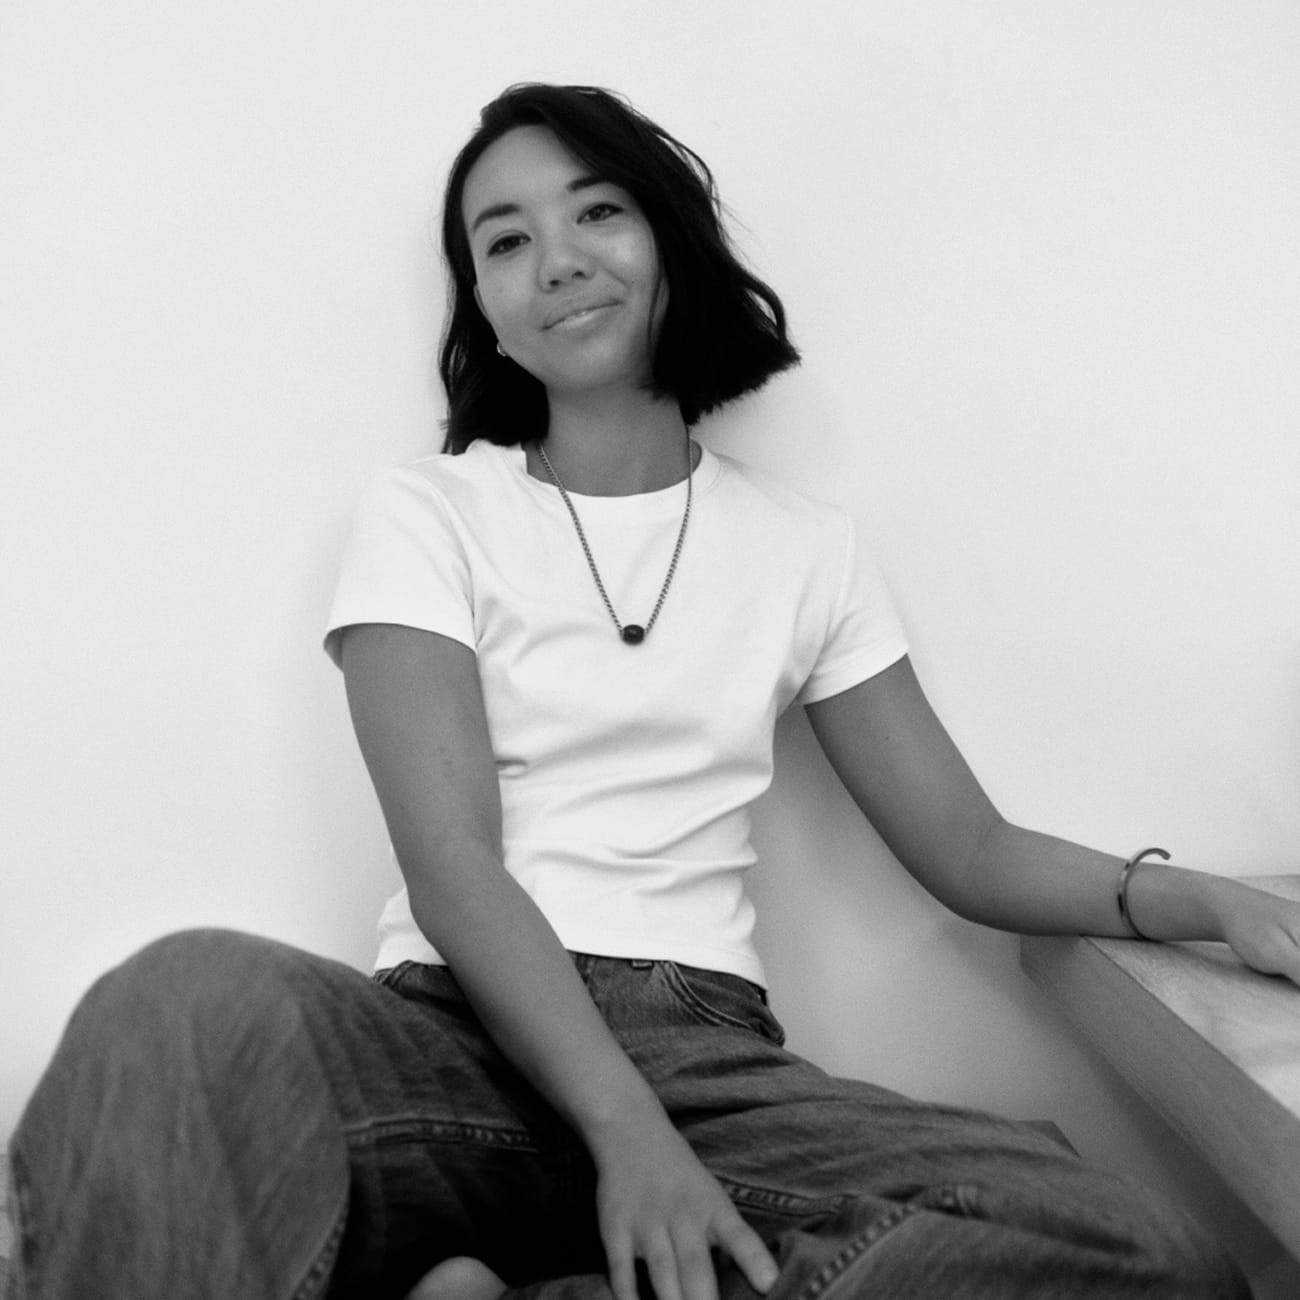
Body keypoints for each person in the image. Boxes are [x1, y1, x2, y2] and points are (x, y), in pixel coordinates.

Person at [8, 82, 1299, 1300]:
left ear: (666, 239)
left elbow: (966, 846)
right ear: (486, 307)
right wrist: (622, 1128)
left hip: (705, 1064)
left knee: (1131, 1248)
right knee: (180, 1002)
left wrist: (1203, 900)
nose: (558, 257)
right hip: (440, 1043)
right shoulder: (432, 509)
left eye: (597, 211)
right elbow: (453, 862)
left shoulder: (807, 547)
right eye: (504, 240)